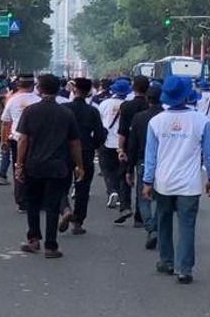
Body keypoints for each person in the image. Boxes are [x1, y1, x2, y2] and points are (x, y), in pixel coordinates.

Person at [142, 76, 210, 284]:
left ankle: (166, 261)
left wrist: (147, 182)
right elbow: (209, 155)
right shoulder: (200, 120)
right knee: (187, 225)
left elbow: (151, 157)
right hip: (189, 184)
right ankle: (184, 268)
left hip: (163, 181)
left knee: (163, 221)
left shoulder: (156, 122)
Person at [15, 74, 83, 259]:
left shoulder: (30, 111)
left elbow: (22, 140)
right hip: (58, 165)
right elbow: (74, 143)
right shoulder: (66, 113)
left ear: (40, 89)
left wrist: (19, 164)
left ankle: (34, 238)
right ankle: (51, 246)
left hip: (34, 164)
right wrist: (79, 165)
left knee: (33, 203)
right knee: (53, 205)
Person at [61, 78, 106, 235]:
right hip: (85, 151)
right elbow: (100, 134)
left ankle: (65, 208)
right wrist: (93, 145)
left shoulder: (64, 108)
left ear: (74, 90)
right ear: (89, 92)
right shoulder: (92, 111)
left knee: (60, 184)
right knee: (83, 187)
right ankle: (78, 222)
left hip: (65, 151)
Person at [125, 85, 164, 249]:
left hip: (142, 160)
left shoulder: (139, 118)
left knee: (143, 198)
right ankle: (156, 225)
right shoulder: (165, 117)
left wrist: (128, 169)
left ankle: (150, 227)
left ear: (147, 99)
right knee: (161, 199)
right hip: (164, 162)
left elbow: (132, 145)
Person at [115, 75, 151, 224]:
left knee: (124, 174)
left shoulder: (126, 106)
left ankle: (125, 206)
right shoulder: (150, 106)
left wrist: (120, 148)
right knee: (143, 179)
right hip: (146, 146)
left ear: (133, 88)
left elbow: (122, 130)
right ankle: (139, 215)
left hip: (129, 144)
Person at [2, 74, 41, 211]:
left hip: (17, 139)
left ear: (18, 85)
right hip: (36, 140)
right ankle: (35, 197)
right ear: (33, 85)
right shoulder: (38, 100)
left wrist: (4, 140)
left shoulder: (12, 100)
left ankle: (22, 200)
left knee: (18, 167)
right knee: (35, 168)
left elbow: (6, 122)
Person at [97, 78, 131, 210]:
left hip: (107, 141)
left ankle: (112, 190)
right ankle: (122, 197)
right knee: (121, 170)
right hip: (123, 144)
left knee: (107, 169)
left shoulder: (105, 103)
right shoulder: (128, 104)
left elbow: (100, 121)